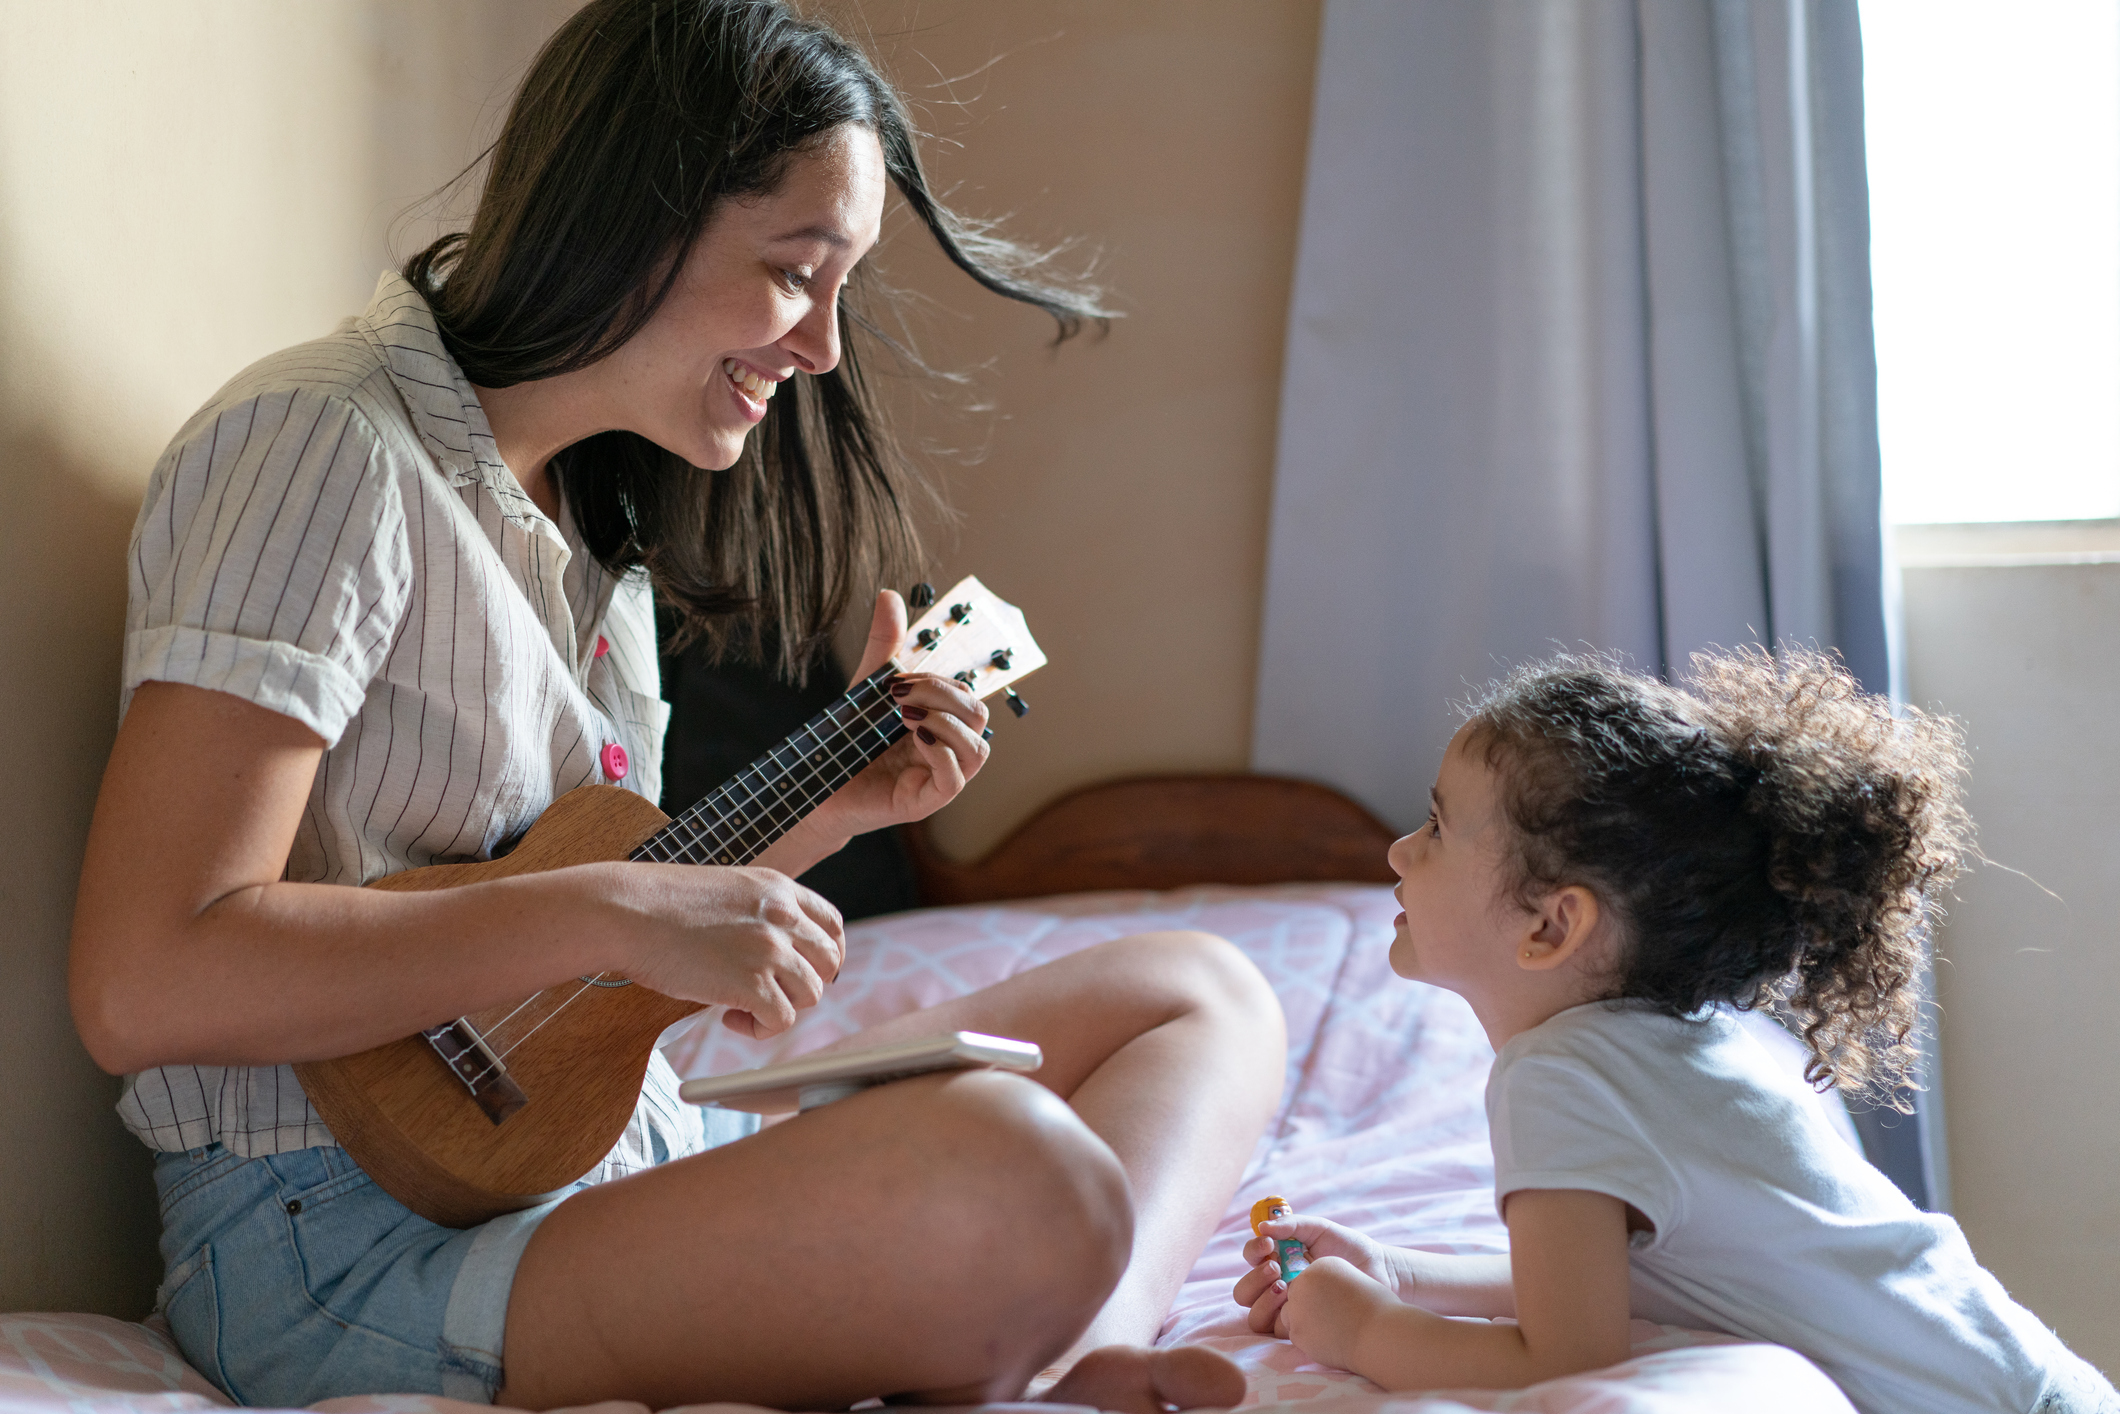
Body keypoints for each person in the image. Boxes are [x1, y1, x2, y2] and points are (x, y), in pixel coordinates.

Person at [68, 2, 1283, 1409]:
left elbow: (591, 959)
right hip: (343, 1240)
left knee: (1202, 990)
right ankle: (1033, 1321)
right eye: (793, 272)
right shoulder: (323, 447)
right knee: (1017, 1167)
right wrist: (610, 911)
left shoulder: (602, 527)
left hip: (605, 1165)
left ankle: (1084, 1349)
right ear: (635, 220)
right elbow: (142, 977)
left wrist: (843, 805)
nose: (824, 344)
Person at [1232, 649, 2117, 1414]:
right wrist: (1401, 1269)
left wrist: (1363, 1330)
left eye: (1434, 826)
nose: (1395, 852)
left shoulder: (1558, 1078)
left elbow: (1567, 1356)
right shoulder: (1693, 1038)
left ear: (1549, 927)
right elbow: (1608, 1285)